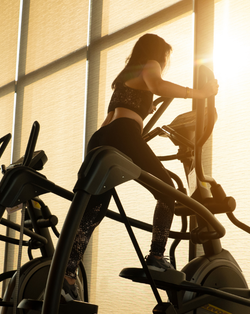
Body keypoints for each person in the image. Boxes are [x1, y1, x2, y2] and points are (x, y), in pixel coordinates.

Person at [63, 33, 219, 294]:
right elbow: (158, 85)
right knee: (168, 190)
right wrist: (200, 94)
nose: (164, 61)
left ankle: (67, 277)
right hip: (124, 132)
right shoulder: (151, 63)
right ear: (157, 52)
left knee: (93, 211)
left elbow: (119, 115)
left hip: (101, 138)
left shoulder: (126, 76)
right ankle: (157, 258)